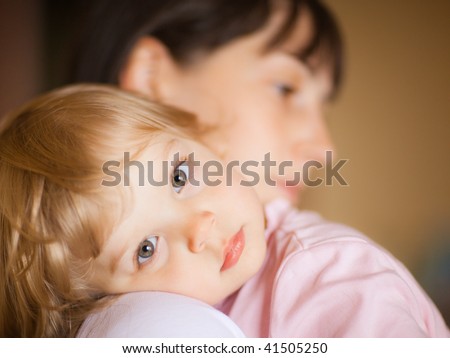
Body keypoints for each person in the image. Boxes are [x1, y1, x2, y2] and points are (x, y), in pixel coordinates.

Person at [1, 85, 448, 338]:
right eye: (146, 249)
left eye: (179, 176)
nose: (201, 228)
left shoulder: (324, 274)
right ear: (102, 305)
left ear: (206, 142)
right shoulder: (157, 328)